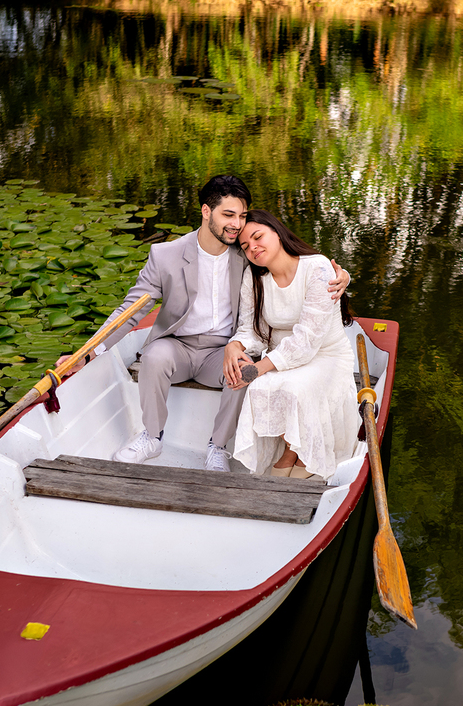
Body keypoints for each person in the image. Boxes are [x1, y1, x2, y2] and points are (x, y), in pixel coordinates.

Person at [64, 175, 349, 471]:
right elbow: (130, 310)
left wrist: (342, 276)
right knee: (154, 356)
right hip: (177, 346)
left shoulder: (247, 255)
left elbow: (294, 263)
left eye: (241, 216)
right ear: (205, 211)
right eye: (228, 215)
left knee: (242, 368)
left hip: (222, 350)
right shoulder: (166, 256)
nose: (237, 225)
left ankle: (218, 447)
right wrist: (87, 353)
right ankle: (152, 436)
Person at [223, 209, 360, 480]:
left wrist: (258, 368)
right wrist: (235, 346)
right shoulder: (254, 278)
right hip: (281, 357)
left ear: (277, 231)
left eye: (258, 237)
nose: (253, 247)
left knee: (296, 388)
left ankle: (305, 456)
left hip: (325, 355)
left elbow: (307, 341)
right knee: (260, 387)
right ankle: (291, 451)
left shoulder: (317, 268)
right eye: (245, 246)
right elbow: (253, 330)